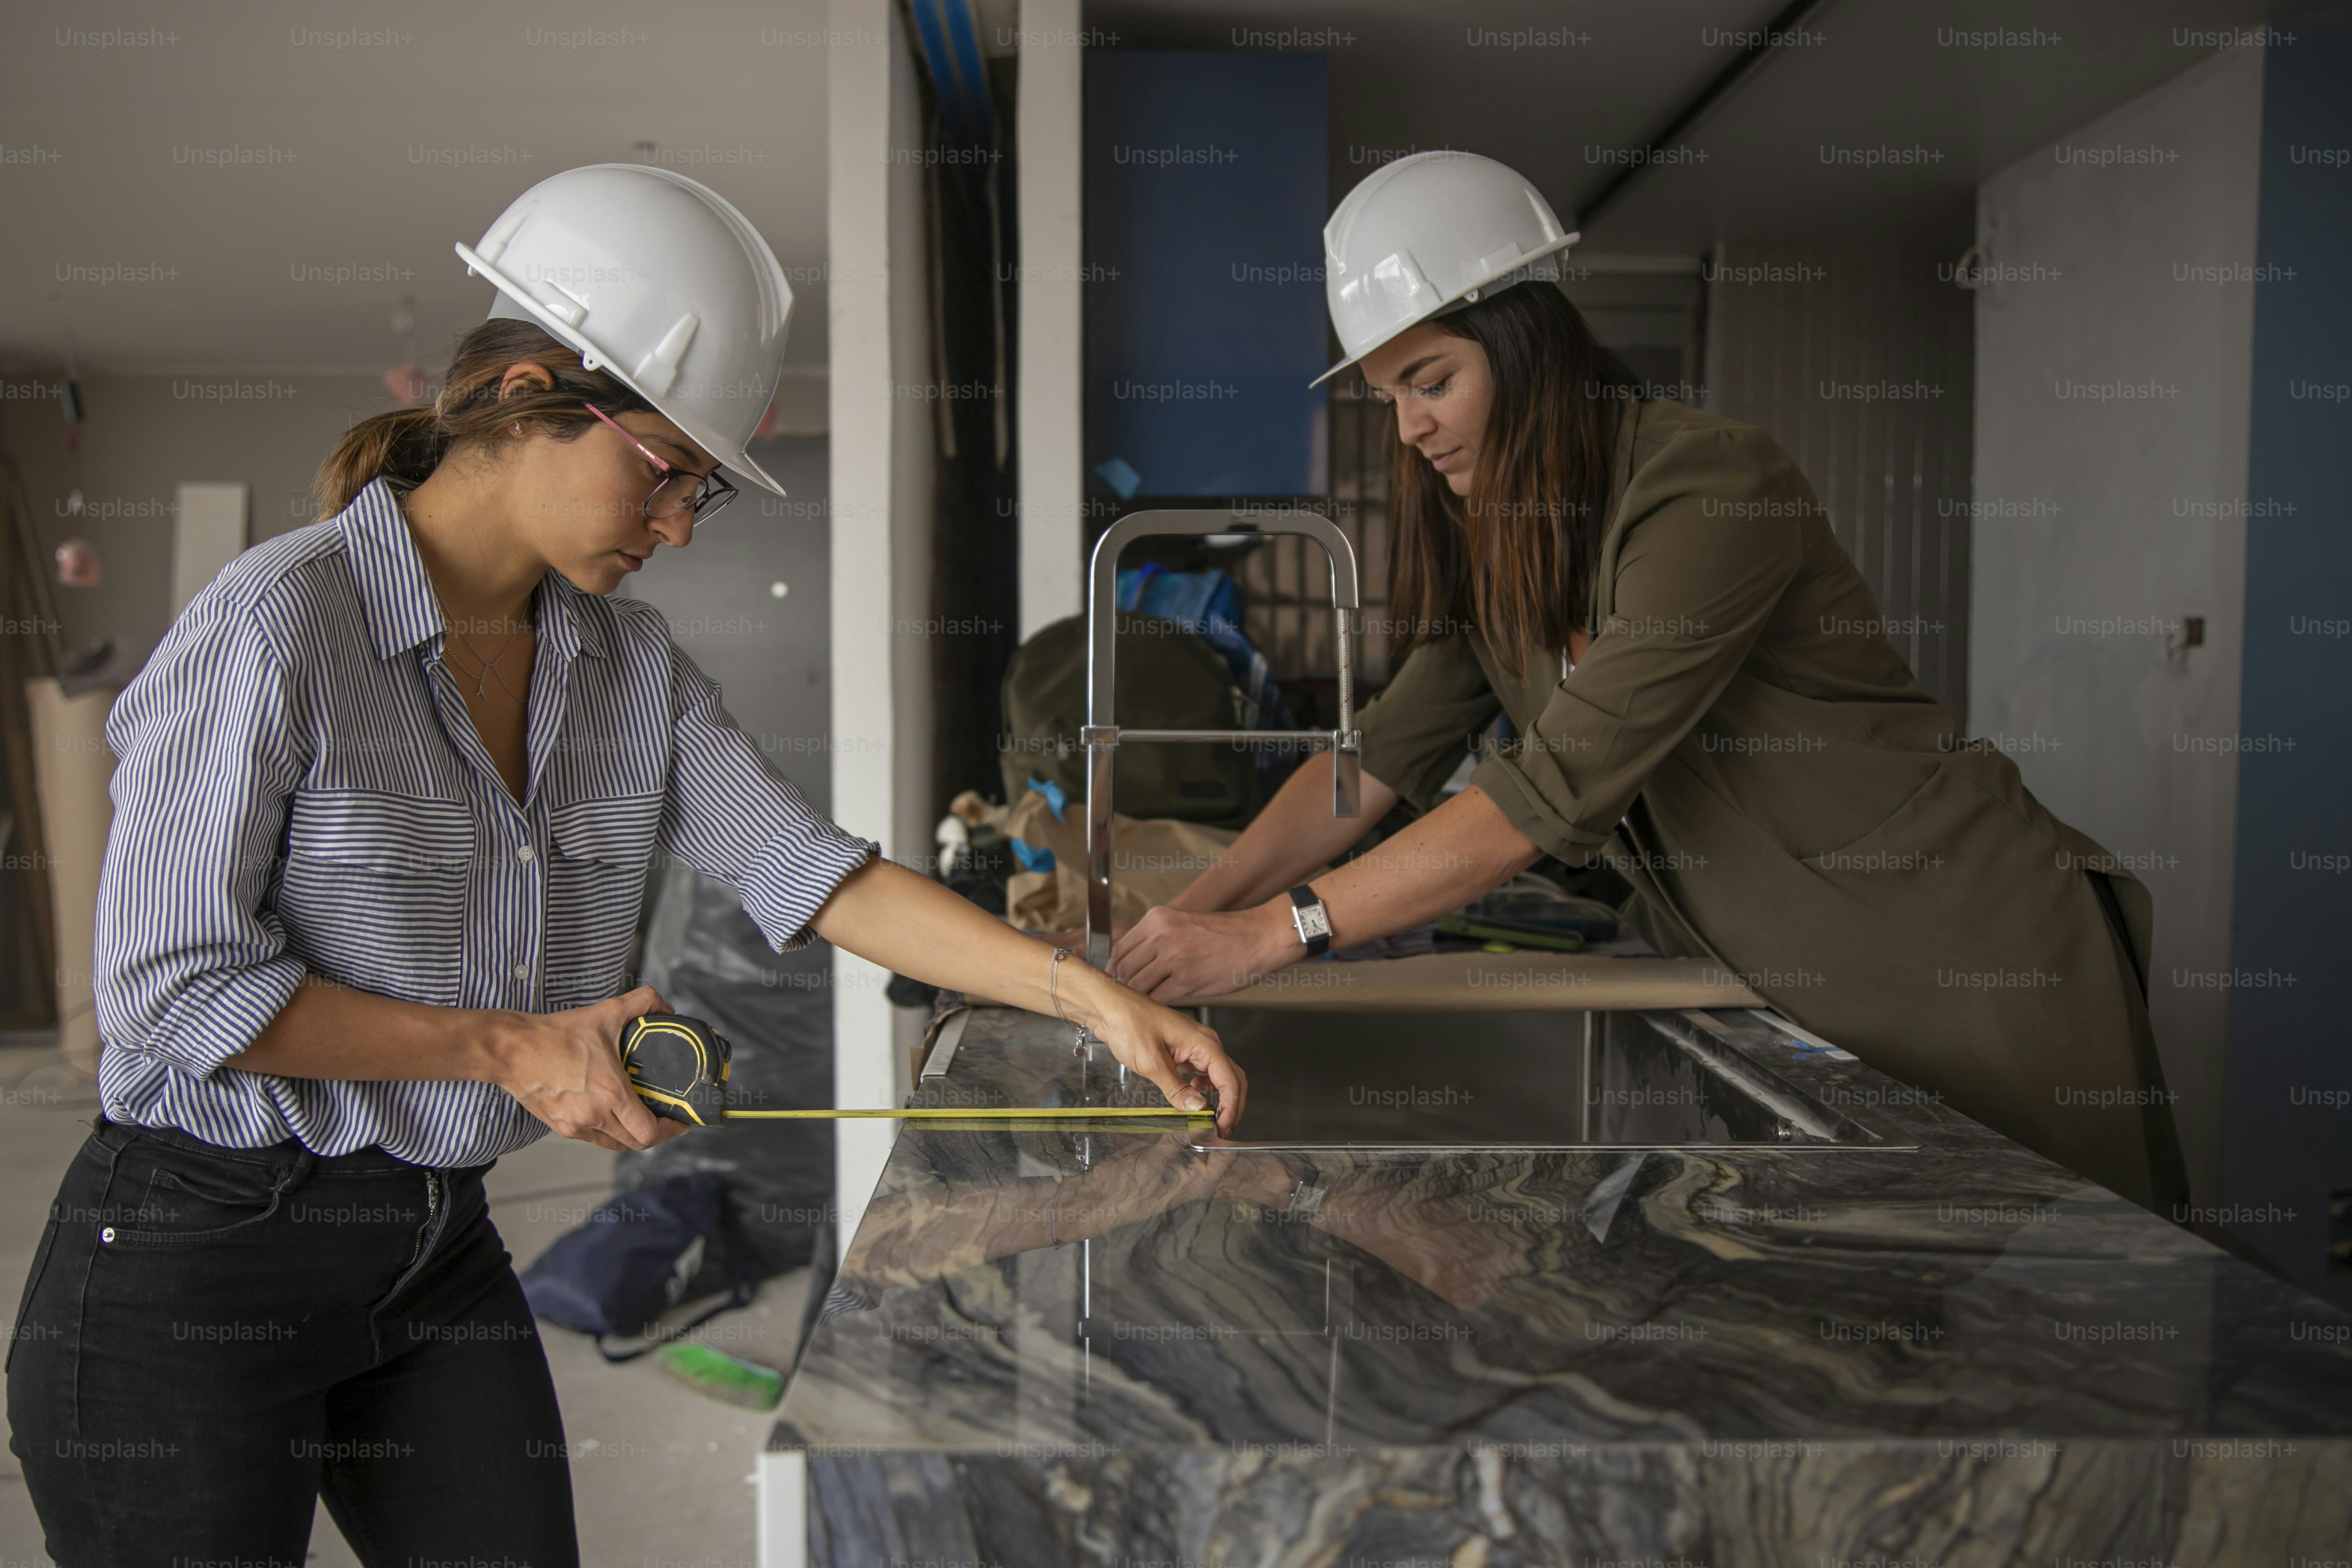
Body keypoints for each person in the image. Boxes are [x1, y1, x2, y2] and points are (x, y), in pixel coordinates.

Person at [5, 165, 1241, 1567]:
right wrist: (506, 1043)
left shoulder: (624, 666)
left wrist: (1090, 998)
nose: (679, 528)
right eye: (664, 472)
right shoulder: (281, 626)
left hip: (427, 1253)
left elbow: (812, 870)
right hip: (191, 1266)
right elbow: (168, 989)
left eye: (702, 488)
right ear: (528, 391)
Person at [1110, 151, 2187, 1216]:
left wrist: (1275, 931)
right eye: (1392, 395)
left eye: (1431, 382)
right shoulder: (1504, 543)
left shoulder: (1708, 485)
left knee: (2079, 1316)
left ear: (1528, 348)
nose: (1409, 427)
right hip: (1797, 983)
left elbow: (1545, 797)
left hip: (1964, 957)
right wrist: (1175, 927)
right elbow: (1377, 759)